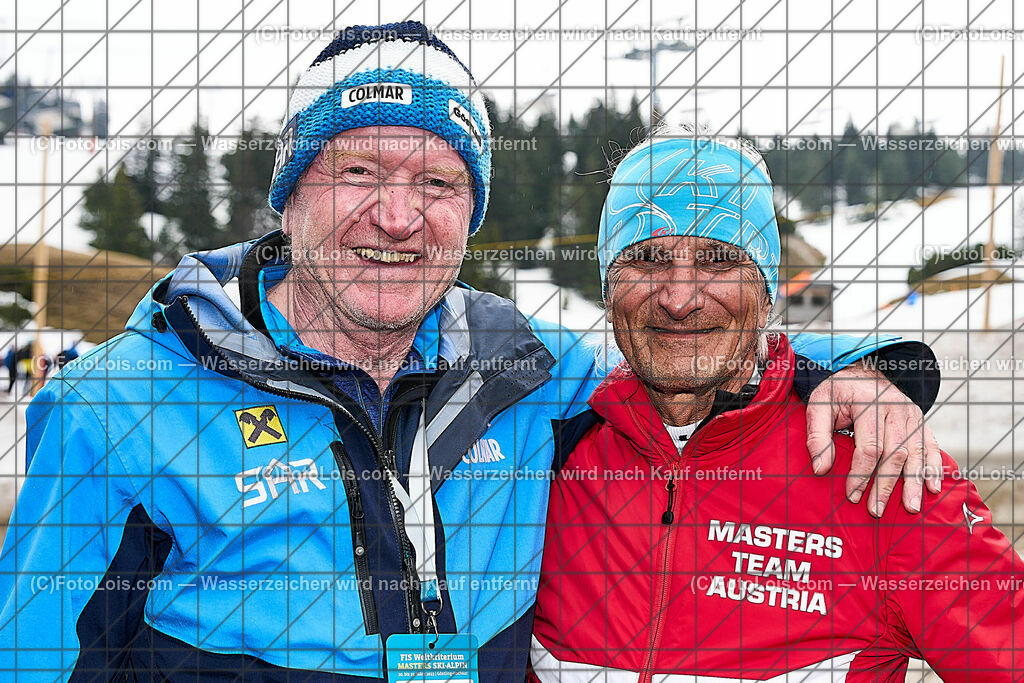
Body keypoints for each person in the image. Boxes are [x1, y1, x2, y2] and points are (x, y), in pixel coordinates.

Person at [0, 23, 937, 682]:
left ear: (471, 212)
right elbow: (32, 655)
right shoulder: (119, 402)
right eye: (358, 170)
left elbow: (690, 338)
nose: (398, 217)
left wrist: (872, 368)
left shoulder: (523, 368)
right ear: (289, 194)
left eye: (439, 181)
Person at [531, 129, 1023, 681]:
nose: (678, 298)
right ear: (606, 284)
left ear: (766, 289)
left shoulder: (879, 463)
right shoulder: (545, 451)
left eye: (718, 260)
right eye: (646, 258)